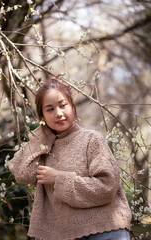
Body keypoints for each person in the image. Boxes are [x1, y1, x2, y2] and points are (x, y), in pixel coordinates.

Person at [8, 78, 132, 240]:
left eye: (63, 105)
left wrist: (58, 178)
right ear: (42, 116)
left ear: (72, 106)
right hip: (64, 235)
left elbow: (107, 187)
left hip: (106, 230)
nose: (58, 113)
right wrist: (42, 133)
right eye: (50, 109)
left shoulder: (91, 139)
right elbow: (21, 172)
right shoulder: (44, 148)